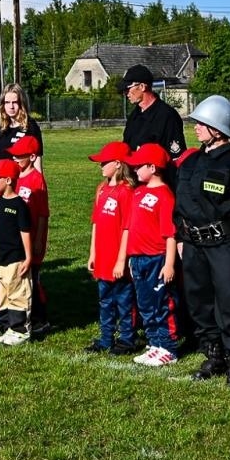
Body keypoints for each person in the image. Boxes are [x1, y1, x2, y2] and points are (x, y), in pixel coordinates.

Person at [175, 95, 230, 386]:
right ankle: (214, 353)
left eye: (202, 123)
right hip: (193, 244)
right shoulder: (191, 162)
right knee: (199, 301)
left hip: (226, 243)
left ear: (218, 129)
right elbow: (180, 202)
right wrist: (180, 236)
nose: (196, 128)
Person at [125, 143, 179, 368]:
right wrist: (130, 257)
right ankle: (154, 343)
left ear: (153, 167)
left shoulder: (165, 195)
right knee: (145, 304)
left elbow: (171, 235)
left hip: (157, 258)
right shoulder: (138, 192)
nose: (135, 170)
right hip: (138, 259)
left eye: (139, 166)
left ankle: (168, 347)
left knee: (160, 304)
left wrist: (169, 264)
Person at [86, 142, 139, 355]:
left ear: (118, 164)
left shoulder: (126, 192)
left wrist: (121, 259)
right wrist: (93, 253)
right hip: (103, 256)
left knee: (124, 300)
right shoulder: (102, 189)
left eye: (104, 162)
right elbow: (96, 223)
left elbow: (127, 227)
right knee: (105, 299)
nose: (100, 166)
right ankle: (106, 337)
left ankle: (127, 338)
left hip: (118, 257)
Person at [7, 137, 51, 334]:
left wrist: (39, 239)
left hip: (31, 238)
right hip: (16, 238)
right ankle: (23, 313)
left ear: (32, 157)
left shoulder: (36, 180)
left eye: (19, 155)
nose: (15, 158)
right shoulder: (14, 177)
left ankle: (40, 318)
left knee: (32, 279)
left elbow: (42, 214)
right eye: (13, 154)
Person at [0, 159, 34, 346]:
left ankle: (20, 330)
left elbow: (25, 232)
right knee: (4, 293)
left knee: (18, 293)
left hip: (16, 258)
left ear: (8, 180)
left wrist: (28, 257)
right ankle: (8, 326)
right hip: (0, 257)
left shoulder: (19, 205)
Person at [0, 83, 43, 162]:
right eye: (7, 102)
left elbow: (37, 162)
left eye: (15, 102)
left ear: (21, 103)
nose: (11, 106)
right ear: (3, 104)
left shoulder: (31, 127)